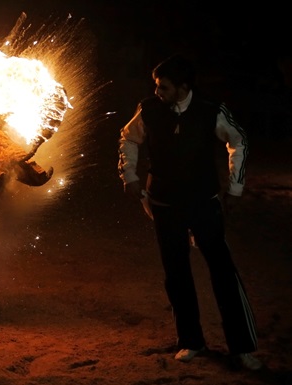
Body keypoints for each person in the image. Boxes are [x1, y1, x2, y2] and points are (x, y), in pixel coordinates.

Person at [117, 53, 263, 370]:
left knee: (223, 271)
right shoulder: (149, 109)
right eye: (156, 86)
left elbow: (238, 140)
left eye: (164, 87)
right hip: (163, 203)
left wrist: (235, 187)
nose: (158, 92)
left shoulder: (210, 110)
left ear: (183, 87)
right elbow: (128, 138)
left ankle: (242, 347)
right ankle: (191, 341)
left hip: (202, 201)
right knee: (176, 272)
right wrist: (129, 175)